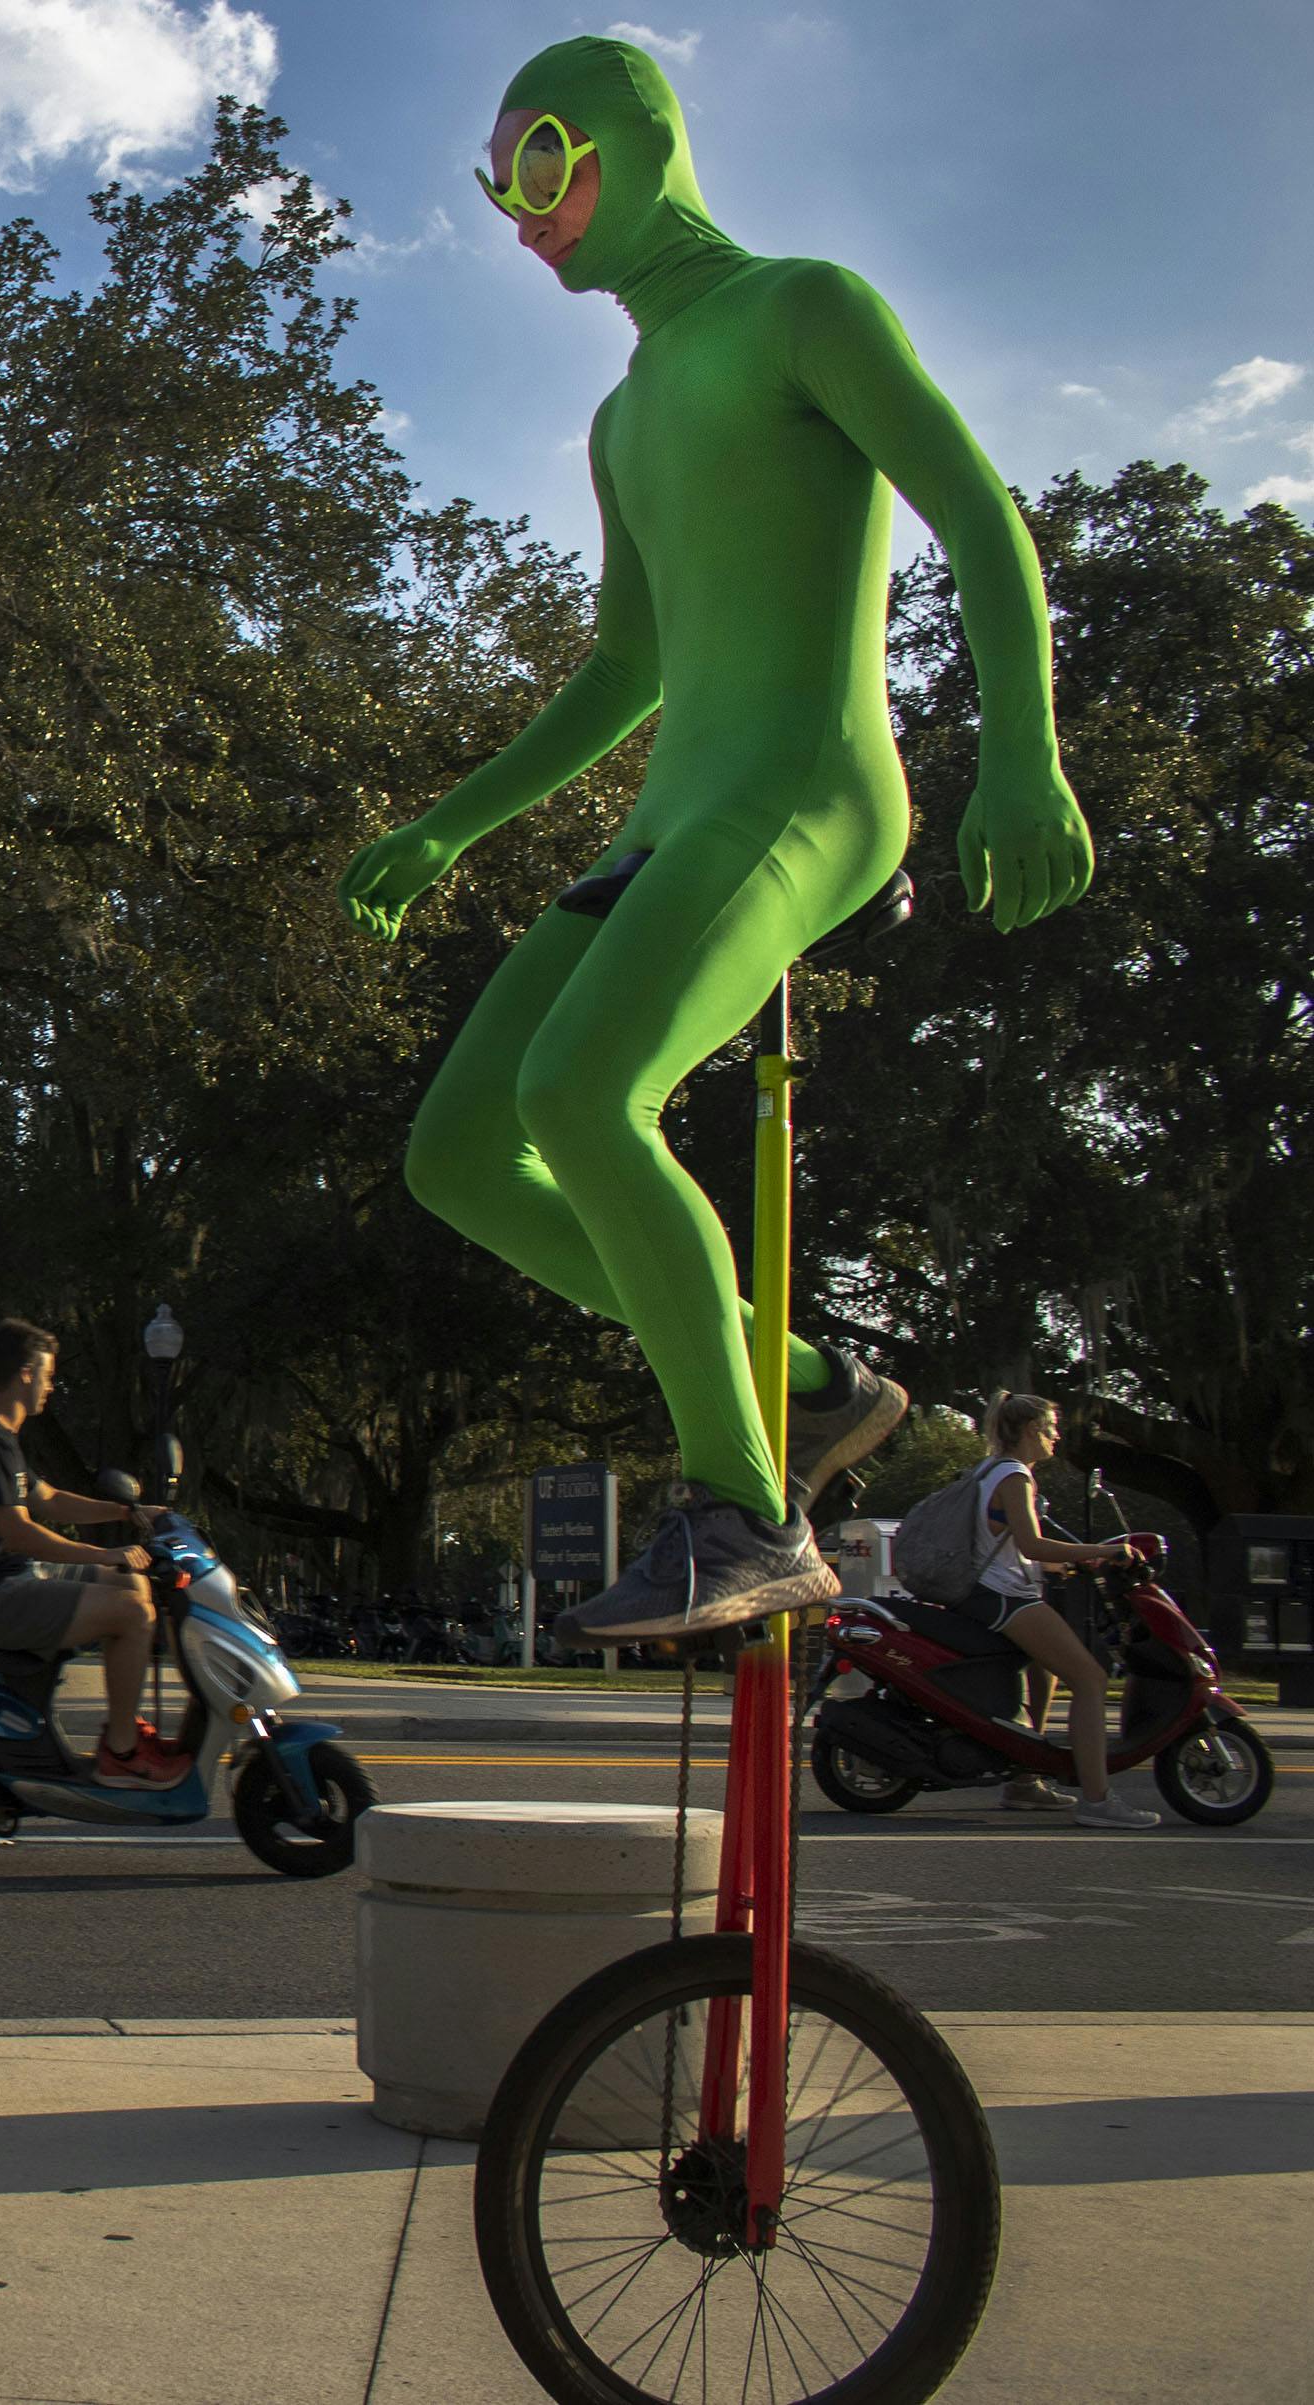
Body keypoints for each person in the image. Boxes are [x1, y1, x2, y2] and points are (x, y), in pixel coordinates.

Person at [339, 37, 1090, 1645]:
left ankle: (745, 1511)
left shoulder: (800, 306)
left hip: (804, 789)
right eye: (496, 185)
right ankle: (810, 1387)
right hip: (667, 809)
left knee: (582, 1095)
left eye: (541, 162)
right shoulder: (620, 418)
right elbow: (625, 668)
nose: (518, 211)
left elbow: (974, 510)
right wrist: (450, 822)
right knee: (463, 1151)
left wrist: (1018, 753)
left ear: (632, 140)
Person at [0, 1319, 188, 1786]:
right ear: (26, 1373)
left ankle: (122, 1729)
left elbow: (49, 1499)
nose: (51, 1385)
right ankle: (121, 1752)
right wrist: (104, 1555)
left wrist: (130, 1513)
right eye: (47, 1374)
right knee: (131, 1614)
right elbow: (19, 1533)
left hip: (11, 1581)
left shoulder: (1, 1437)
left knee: (134, 1584)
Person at [962, 1394, 1157, 1830]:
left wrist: (1069, 1562)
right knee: (1090, 1679)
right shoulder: (1015, 1476)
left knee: (1044, 1672)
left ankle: (1024, 1779)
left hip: (991, 1589)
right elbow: (1031, 1544)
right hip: (1005, 1596)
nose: (1056, 1437)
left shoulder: (989, 1469)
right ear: (1032, 1429)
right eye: (1051, 1428)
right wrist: (1104, 1551)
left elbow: (1008, 1545)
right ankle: (1097, 1799)